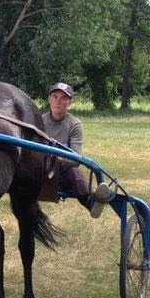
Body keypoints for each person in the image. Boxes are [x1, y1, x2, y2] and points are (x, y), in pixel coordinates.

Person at [42, 82, 114, 218]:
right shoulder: (38, 121)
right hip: (38, 169)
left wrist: (57, 159)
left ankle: (92, 202)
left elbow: (75, 159)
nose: (58, 101)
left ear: (69, 103)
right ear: (49, 99)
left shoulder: (74, 124)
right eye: (55, 96)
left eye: (63, 98)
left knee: (74, 173)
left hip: (60, 171)